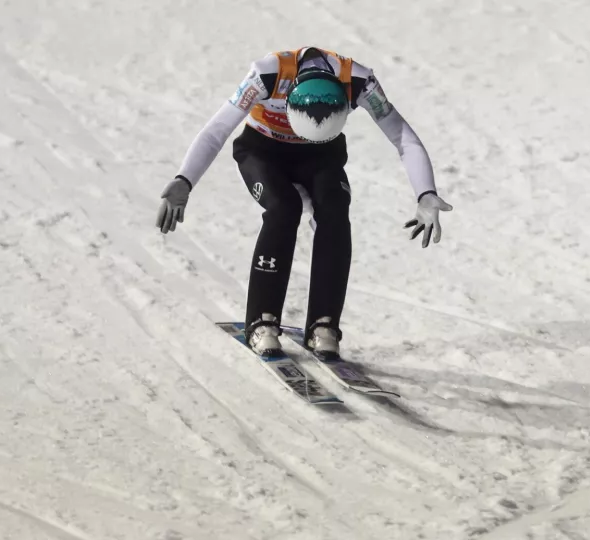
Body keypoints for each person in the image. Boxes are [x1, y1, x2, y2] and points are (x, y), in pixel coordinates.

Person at [154, 47, 453, 359]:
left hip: (320, 156)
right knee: (283, 209)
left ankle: (324, 324)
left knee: (335, 212)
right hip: (262, 152)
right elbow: (216, 130)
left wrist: (425, 192)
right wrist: (184, 179)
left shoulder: (359, 81)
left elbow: (402, 136)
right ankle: (262, 320)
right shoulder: (267, 74)